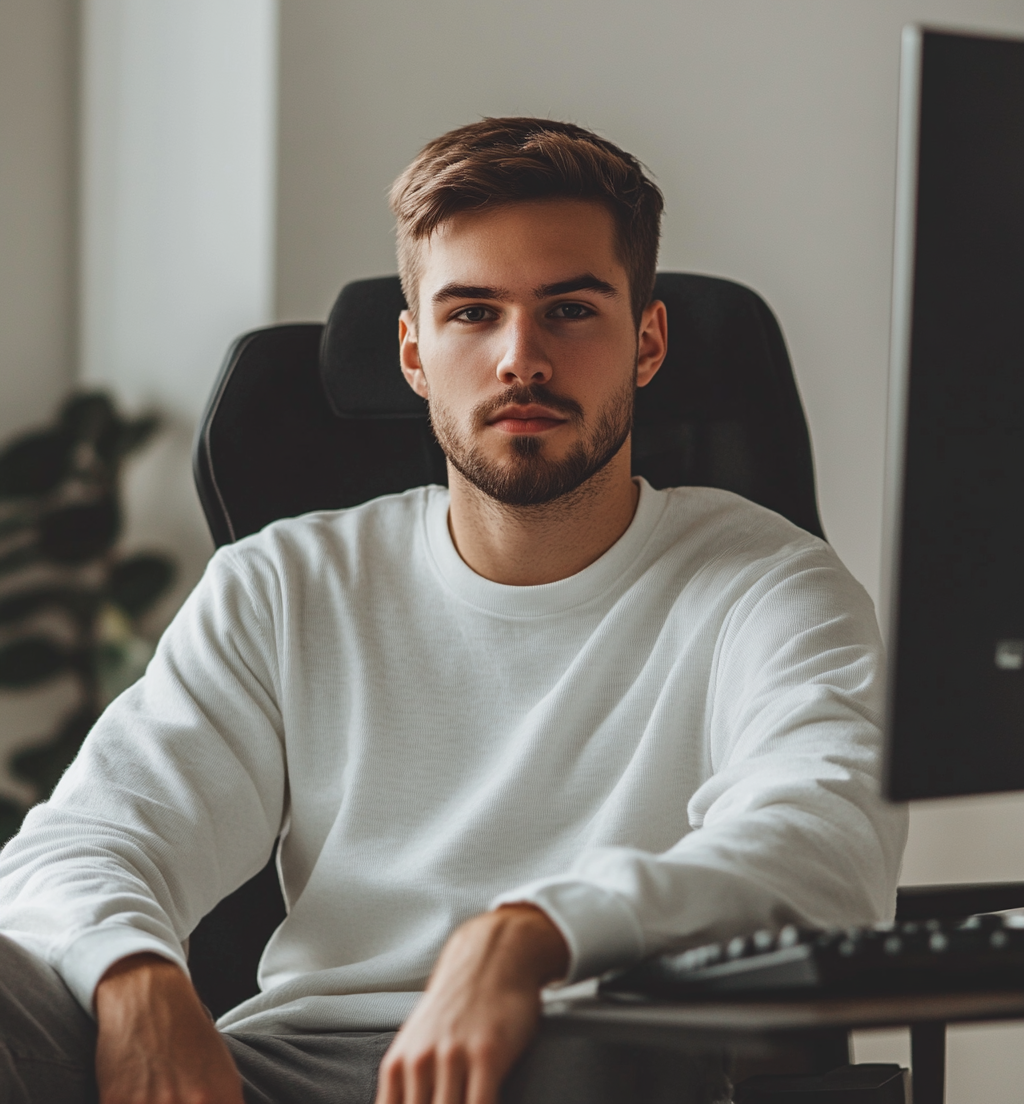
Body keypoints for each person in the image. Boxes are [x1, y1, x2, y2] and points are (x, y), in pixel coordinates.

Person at [0, 118, 906, 1104]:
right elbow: (86, 839)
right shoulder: (285, 583)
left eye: (569, 310)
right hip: (279, 1068)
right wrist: (137, 982)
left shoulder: (768, 585)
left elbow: (824, 840)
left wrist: (536, 933)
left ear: (645, 342)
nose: (521, 358)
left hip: (571, 1051)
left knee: (597, 1056)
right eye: (472, 313)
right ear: (414, 352)